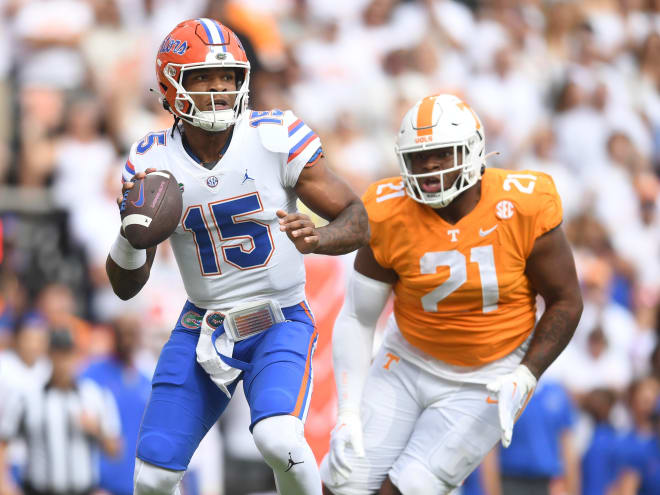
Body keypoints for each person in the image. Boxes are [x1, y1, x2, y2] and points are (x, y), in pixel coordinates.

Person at [105, 18, 369, 495]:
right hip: (202, 323)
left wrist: (321, 237)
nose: (217, 90)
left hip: (279, 316)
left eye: (226, 78)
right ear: (171, 84)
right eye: (202, 77)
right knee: (152, 477)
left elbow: (356, 215)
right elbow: (126, 286)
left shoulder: (274, 135)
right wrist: (130, 233)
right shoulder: (151, 160)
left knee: (278, 438)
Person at [319, 93, 583, 495]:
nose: (429, 167)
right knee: (341, 481)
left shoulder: (524, 204)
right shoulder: (386, 211)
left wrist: (526, 374)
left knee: (409, 486)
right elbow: (358, 317)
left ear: (473, 149)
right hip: (406, 360)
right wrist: (348, 411)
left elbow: (566, 299)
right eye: (419, 157)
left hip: (491, 372)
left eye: (442, 154)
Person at [0, 328, 121, 495]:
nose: (63, 361)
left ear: (78, 356)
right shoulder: (28, 396)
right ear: (49, 356)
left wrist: (98, 429)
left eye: (68, 354)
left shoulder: (94, 395)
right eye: (58, 354)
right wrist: (4, 485)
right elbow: (4, 441)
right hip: (38, 489)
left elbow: (115, 451)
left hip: (83, 490)